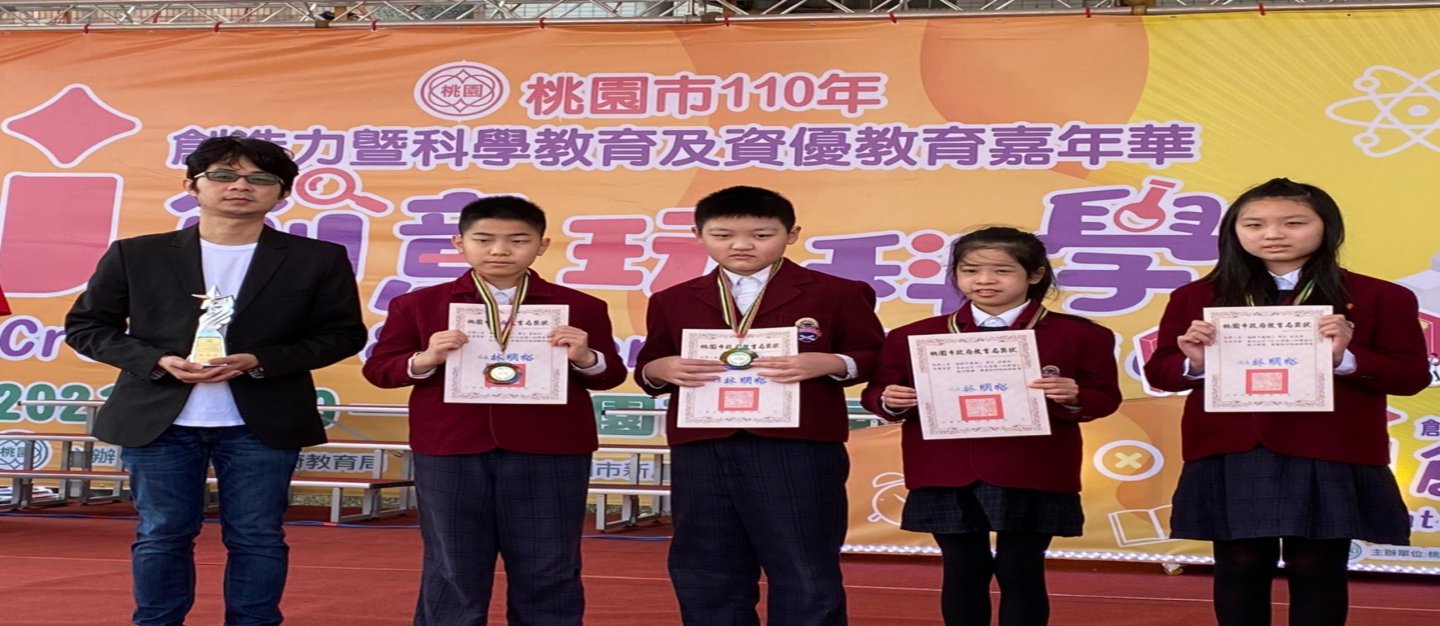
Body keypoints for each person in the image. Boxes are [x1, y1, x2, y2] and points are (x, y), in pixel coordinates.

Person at [64, 136, 368, 626]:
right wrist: (158, 360)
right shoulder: (137, 254)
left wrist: (259, 360)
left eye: (260, 178)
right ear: (192, 185)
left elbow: (343, 335)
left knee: (257, 536)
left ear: (282, 193)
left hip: (262, 420)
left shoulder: (317, 258)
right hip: (159, 420)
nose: (240, 186)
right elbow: (87, 327)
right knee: (162, 533)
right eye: (224, 175)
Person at [1142, 178, 1431, 626]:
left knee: (1318, 566)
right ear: (1234, 230)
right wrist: (1193, 362)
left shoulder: (1380, 296)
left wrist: (1346, 358)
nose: (1272, 234)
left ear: (1327, 227)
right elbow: (1160, 372)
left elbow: (1411, 376)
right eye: (1254, 224)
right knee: (1239, 564)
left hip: (1328, 447)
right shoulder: (1197, 297)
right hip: (1234, 447)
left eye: (1293, 223)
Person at [362, 196, 628, 625]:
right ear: (459, 243)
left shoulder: (580, 306)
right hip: (451, 447)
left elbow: (609, 374)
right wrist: (425, 359)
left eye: (518, 240)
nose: (500, 250)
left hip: (550, 450)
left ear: (542, 245)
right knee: (453, 566)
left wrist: (585, 357)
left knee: (549, 565)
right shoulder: (418, 305)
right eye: (483, 239)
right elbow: (379, 370)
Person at [634, 186, 885, 626]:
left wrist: (832, 362)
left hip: (798, 447)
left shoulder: (837, 293)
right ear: (698, 235)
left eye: (761, 235)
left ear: (792, 234)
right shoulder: (673, 299)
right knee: (706, 566)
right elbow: (650, 365)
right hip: (703, 445)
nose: (742, 245)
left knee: (804, 565)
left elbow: (875, 355)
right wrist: (661, 369)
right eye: (723, 235)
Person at [859, 226, 1121, 626]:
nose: (984, 281)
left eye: (1002, 270)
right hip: (945, 468)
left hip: (1033, 467)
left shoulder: (1081, 335)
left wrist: (1074, 395)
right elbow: (877, 392)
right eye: (970, 271)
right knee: (963, 568)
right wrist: (889, 399)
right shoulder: (915, 335)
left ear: (1035, 274)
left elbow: (1104, 397)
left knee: (1021, 569)